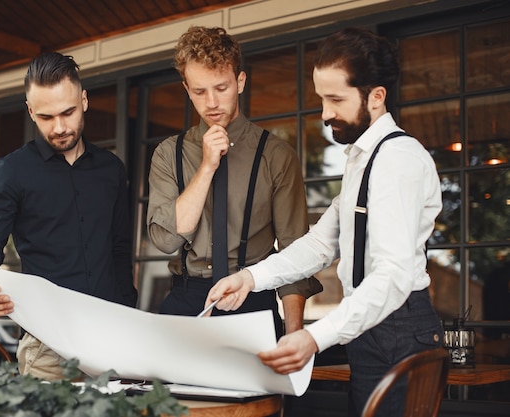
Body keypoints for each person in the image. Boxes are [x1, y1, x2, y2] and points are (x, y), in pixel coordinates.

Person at [205, 27, 443, 416]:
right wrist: (249, 279)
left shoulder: (399, 160)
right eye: (321, 99)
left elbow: (393, 276)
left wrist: (314, 337)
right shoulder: (361, 160)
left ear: (376, 96)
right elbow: (319, 245)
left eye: (336, 99)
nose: (325, 113)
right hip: (370, 330)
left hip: (400, 330)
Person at [0, 52, 137, 380]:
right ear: (30, 111)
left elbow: (119, 252)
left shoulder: (111, 170)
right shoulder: (11, 172)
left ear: (84, 100)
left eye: (68, 112)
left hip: (111, 338)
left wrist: (129, 320)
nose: (59, 127)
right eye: (46, 117)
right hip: (47, 349)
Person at [147, 26, 322, 338]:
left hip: (252, 299)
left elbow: (294, 251)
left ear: (240, 82)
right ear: (187, 89)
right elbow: (165, 240)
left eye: (221, 88)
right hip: (187, 300)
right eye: (199, 91)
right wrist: (206, 167)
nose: (212, 102)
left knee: (256, 390)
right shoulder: (167, 154)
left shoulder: (276, 156)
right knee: (171, 389)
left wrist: (294, 336)